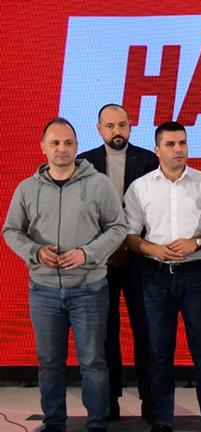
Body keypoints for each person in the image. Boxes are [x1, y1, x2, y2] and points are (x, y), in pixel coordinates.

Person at [4, 118, 127, 432]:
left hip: (90, 289)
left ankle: (97, 424)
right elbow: (11, 230)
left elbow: (118, 227)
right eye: (55, 143)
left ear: (76, 146)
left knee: (93, 362)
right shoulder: (27, 188)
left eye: (68, 143)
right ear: (43, 147)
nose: (62, 149)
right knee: (49, 363)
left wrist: (88, 253)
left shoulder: (98, 184)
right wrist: (35, 252)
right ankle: (54, 423)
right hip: (43, 291)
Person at [124, 121, 201, 432]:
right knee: (158, 353)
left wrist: (196, 242)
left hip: (198, 275)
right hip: (155, 276)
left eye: (182, 143)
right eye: (170, 144)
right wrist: (151, 248)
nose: (178, 149)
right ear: (157, 150)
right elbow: (129, 235)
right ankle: (161, 421)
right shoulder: (140, 187)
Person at [78, 103, 159, 421]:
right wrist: (104, 247)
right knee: (104, 334)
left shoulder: (148, 160)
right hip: (100, 261)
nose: (117, 131)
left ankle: (150, 402)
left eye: (122, 125)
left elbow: (154, 210)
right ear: (99, 128)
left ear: (130, 126)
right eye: (110, 126)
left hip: (139, 259)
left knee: (146, 332)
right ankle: (108, 402)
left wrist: (131, 244)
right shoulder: (84, 162)